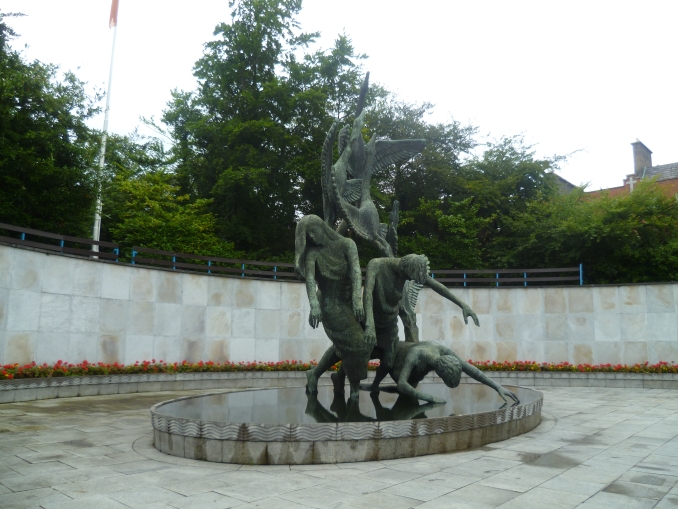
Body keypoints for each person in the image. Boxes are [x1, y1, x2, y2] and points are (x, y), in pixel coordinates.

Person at [294, 214, 368, 400]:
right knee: (357, 343)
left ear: (321, 227)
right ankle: (354, 390)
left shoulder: (347, 244)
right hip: (329, 305)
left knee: (344, 345)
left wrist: (357, 300)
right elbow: (310, 280)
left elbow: (357, 271)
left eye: (312, 232)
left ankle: (315, 374)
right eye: (307, 237)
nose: (312, 238)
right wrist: (314, 306)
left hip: (350, 302)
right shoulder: (313, 254)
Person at [373, 340, 520, 405]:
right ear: (439, 372)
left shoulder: (443, 351)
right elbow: (401, 384)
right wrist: (429, 398)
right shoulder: (417, 353)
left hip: (413, 373)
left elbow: (472, 370)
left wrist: (497, 387)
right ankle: (375, 386)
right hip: (398, 368)